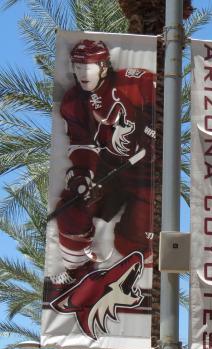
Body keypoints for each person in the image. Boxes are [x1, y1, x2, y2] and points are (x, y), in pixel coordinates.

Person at [45, 39, 156, 300]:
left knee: (137, 236)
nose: (83, 73)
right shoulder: (74, 100)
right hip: (111, 167)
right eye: (78, 66)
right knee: (73, 205)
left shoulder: (132, 82)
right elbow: (81, 144)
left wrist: (152, 131)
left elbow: (162, 100)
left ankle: (130, 284)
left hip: (148, 174)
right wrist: (83, 177)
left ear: (104, 66)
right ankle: (77, 270)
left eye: (90, 66)